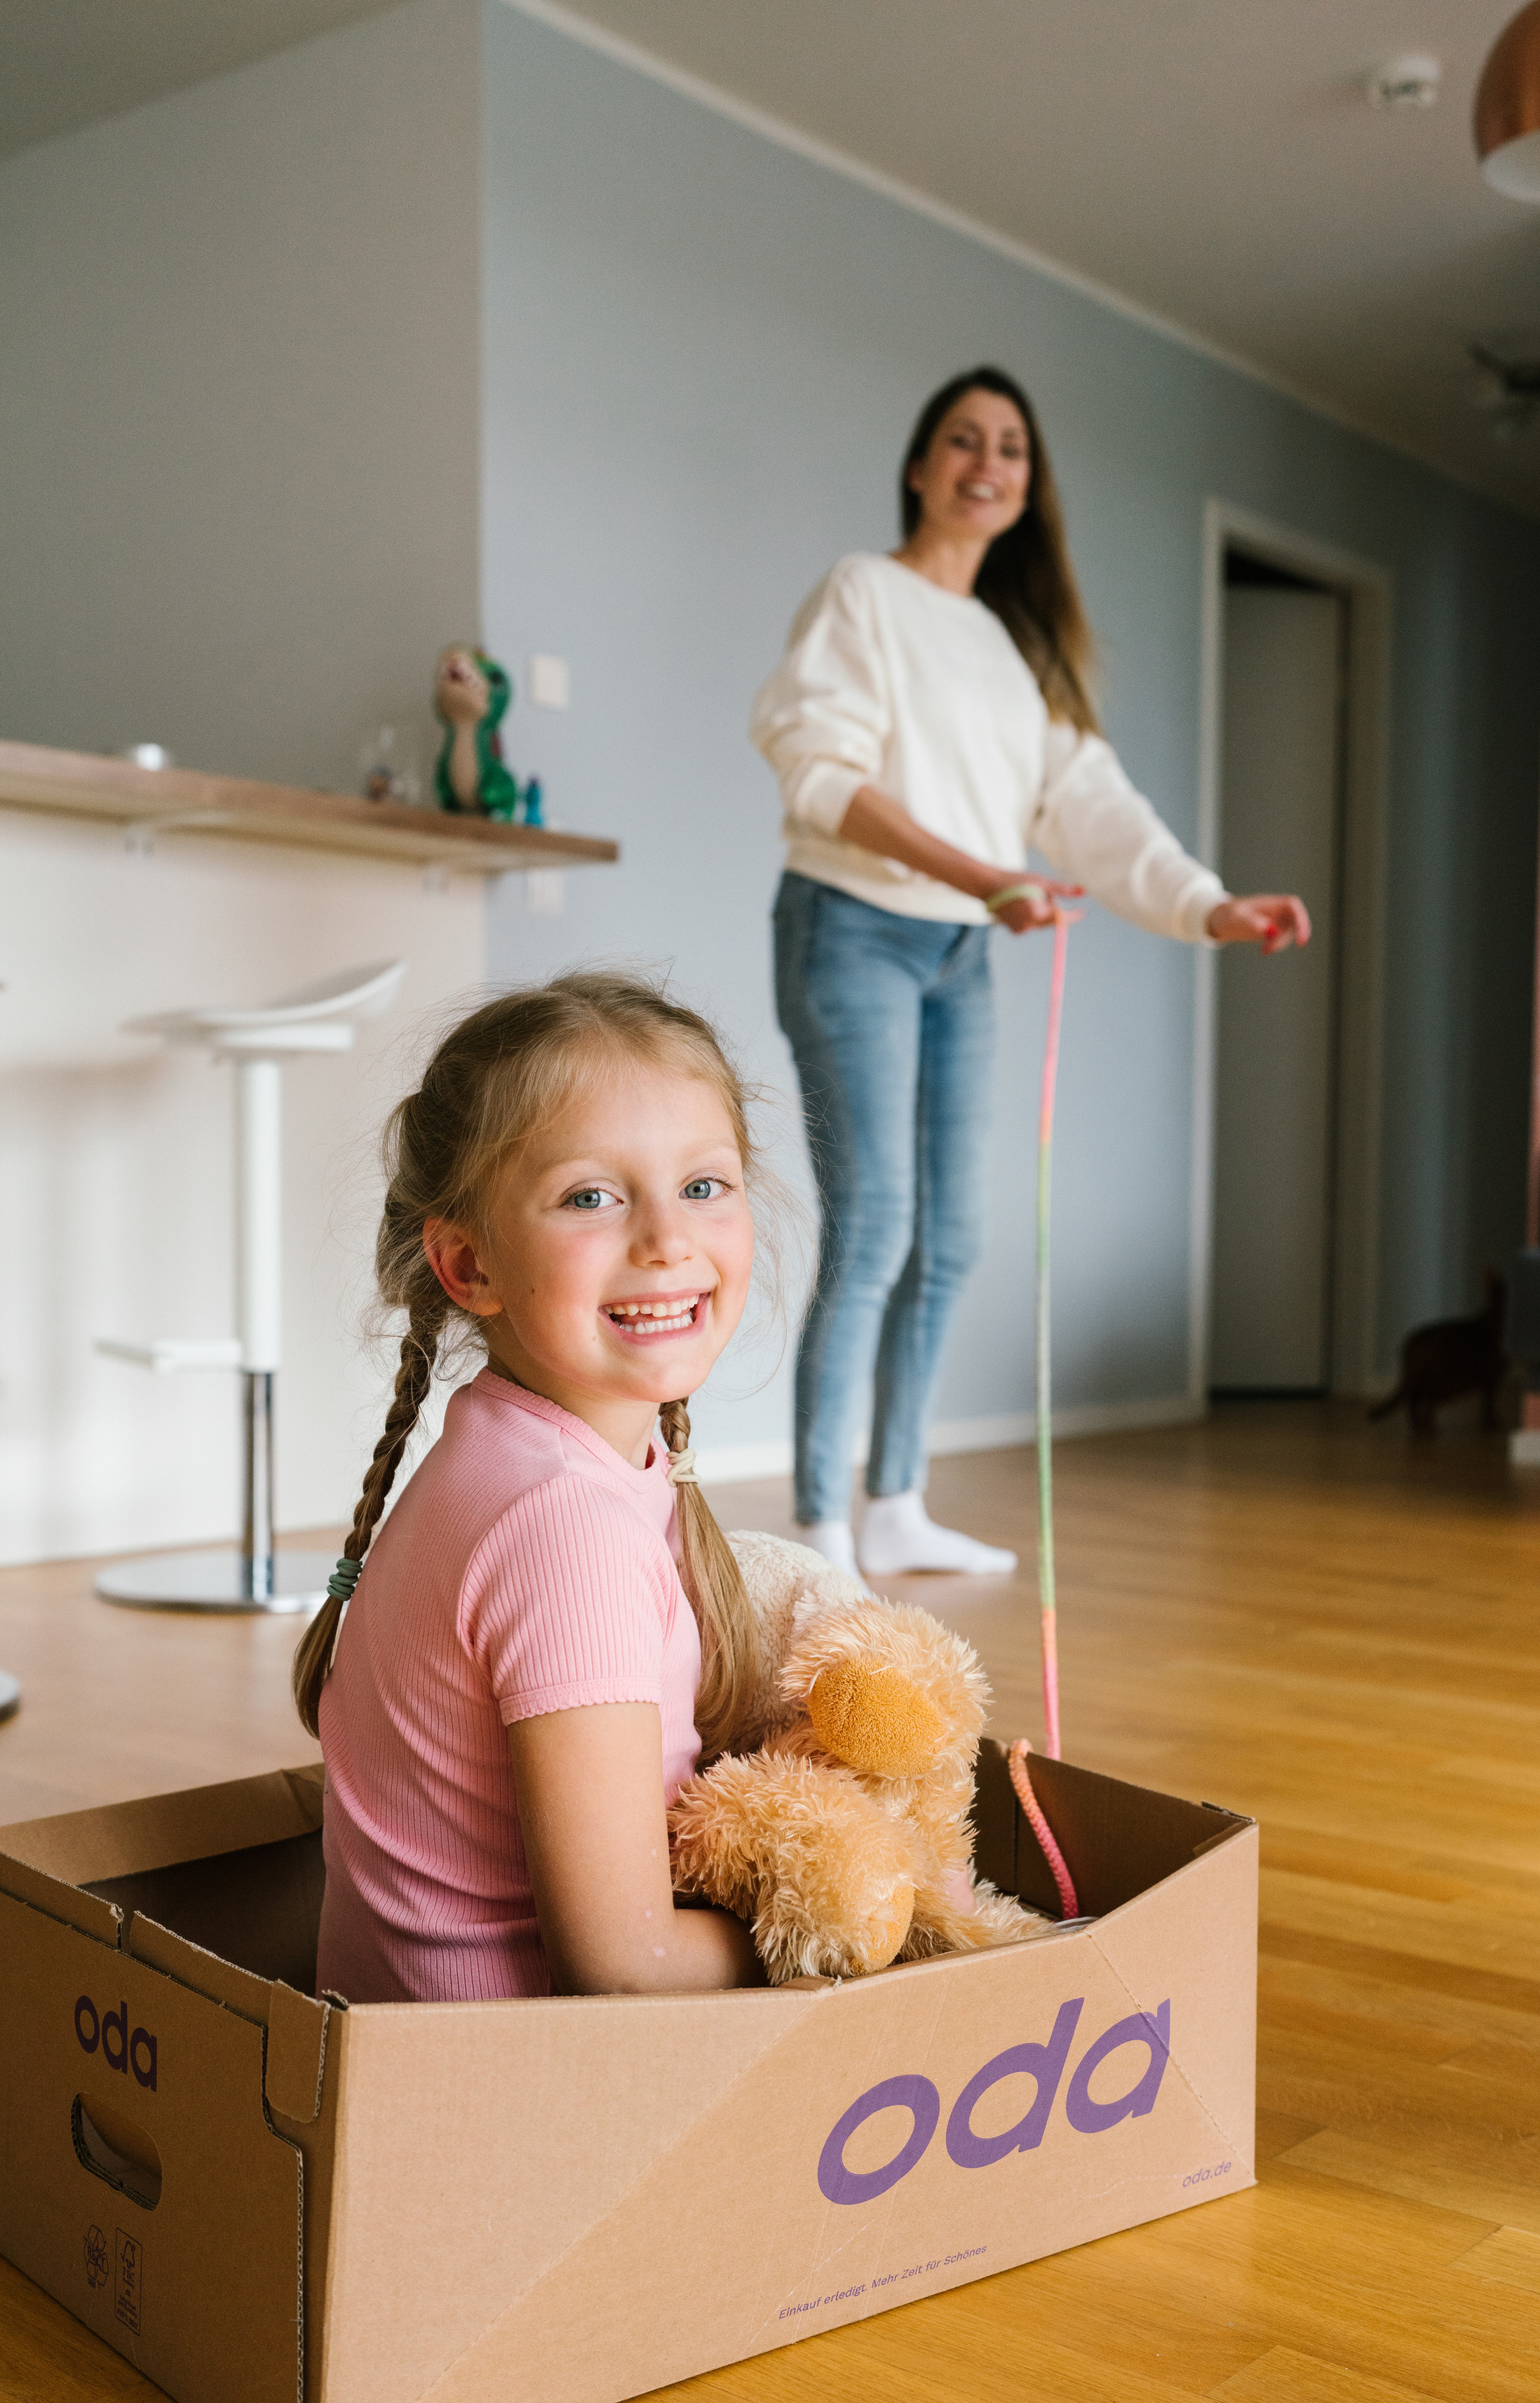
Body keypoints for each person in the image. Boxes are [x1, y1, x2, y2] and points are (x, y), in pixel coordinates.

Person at [752, 365, 1309, 1581]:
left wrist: (1214, 908)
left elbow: (1096, 814)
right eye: (962, 439)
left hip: (961, 948)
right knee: (878, 1225)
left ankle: (896, 1501)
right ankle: (817, 1529)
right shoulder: (866, 593)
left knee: (952, 1236)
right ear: (919, 464)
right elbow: (821, 776)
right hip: (852, 928)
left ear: (1027, 484)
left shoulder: (1018, 652)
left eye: (1011, 446)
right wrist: (981, 876)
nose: (987, 462)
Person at [294, 973, 771, 2002]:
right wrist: (859, 1934)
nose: (668, 1240)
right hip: (502, 2102)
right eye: (591, 1197)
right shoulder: (561, 1525)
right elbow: (623, 1965)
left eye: (704, 1185)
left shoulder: (515, 1448)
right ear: (469, 1265)